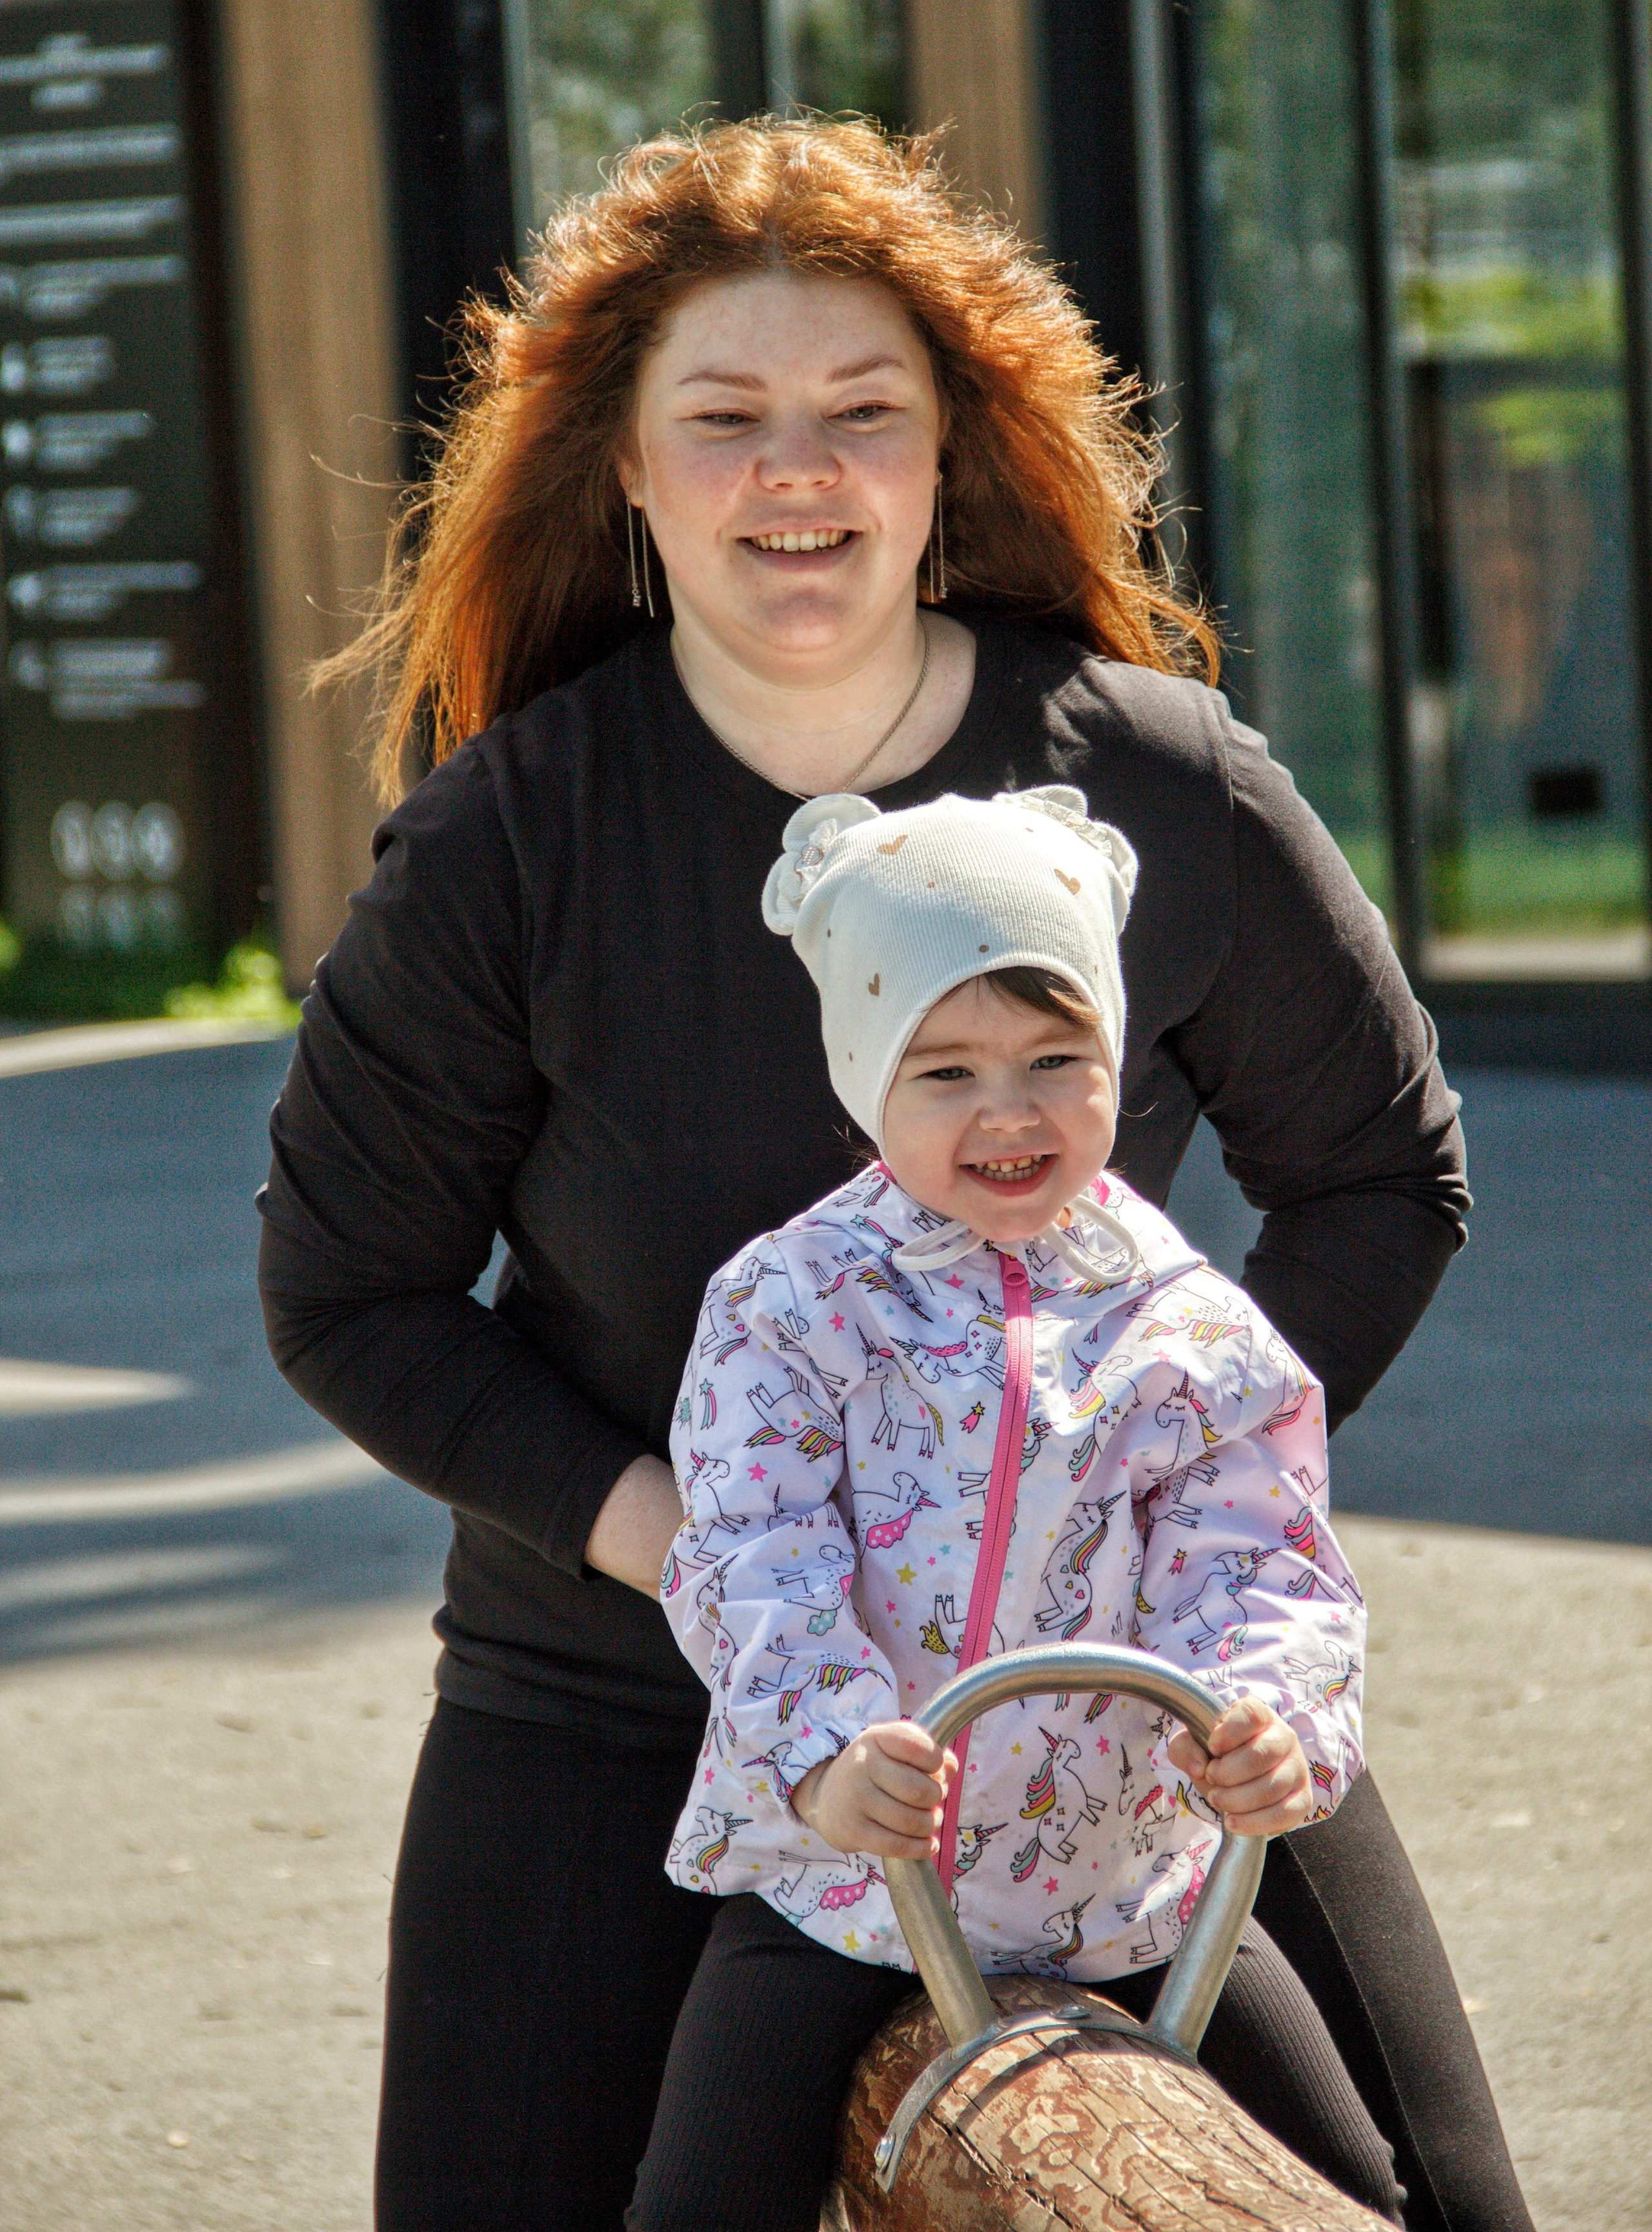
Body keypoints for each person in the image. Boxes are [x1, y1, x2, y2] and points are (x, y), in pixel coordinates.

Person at [258, 117, 1529, 2232]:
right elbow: (347, 1297)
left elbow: (1382, 1176)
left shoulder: (1160, 781)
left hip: (1126, 1709)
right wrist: (721, 1572)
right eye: (726, 418)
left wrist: (1174, 1519)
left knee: (1444, 2210)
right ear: (632, 479)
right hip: (625, 1699)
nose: (798, 471)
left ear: (950, 459)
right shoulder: (511, 841)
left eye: (864, 415)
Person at [643, 782, 1398, 2226]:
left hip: (1133, 1887)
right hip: (856, 1876)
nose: (1009, 1112)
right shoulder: (790, 1304)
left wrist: (1268, 1723)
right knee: (698, 2203)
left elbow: (1268, 1562)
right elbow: (750, 1549)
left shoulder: (1182, 1318)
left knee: (1349, 2188)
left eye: (1058, 1056)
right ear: (866, 1078)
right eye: (944, 1073)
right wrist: (823, 1748)